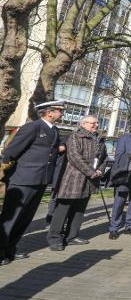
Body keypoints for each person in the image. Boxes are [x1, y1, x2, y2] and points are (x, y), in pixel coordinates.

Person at [0, 100, 64, 265]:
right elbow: (11, 152)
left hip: (40, 180)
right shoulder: (33, 127)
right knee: (11, 218)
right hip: (23, 180)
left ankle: (10, 249)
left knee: (25, 219)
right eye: (59, 111)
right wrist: (6, 174)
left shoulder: (54, 130)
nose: (62, 113)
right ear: (49, 112)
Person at [47, 115, 107, 250]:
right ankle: (55, 238)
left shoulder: (100, 139)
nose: (96, 125)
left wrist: (100, 171)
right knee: (63, 209)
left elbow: (104, 158)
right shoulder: (75, 136)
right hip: (73, 179)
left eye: (97, 123)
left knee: (79, 209)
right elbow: (74, 157)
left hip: (90, 181)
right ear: (84, 124)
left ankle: (72, 236)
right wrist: (91, 171)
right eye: (93, 123)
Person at [45, 141, 67, 225]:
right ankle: (50, 215)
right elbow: (57, 149)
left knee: (61, 197)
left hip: (66, 174)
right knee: (54, 196)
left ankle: (57, 217)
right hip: (59, 173)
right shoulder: (65, 140)